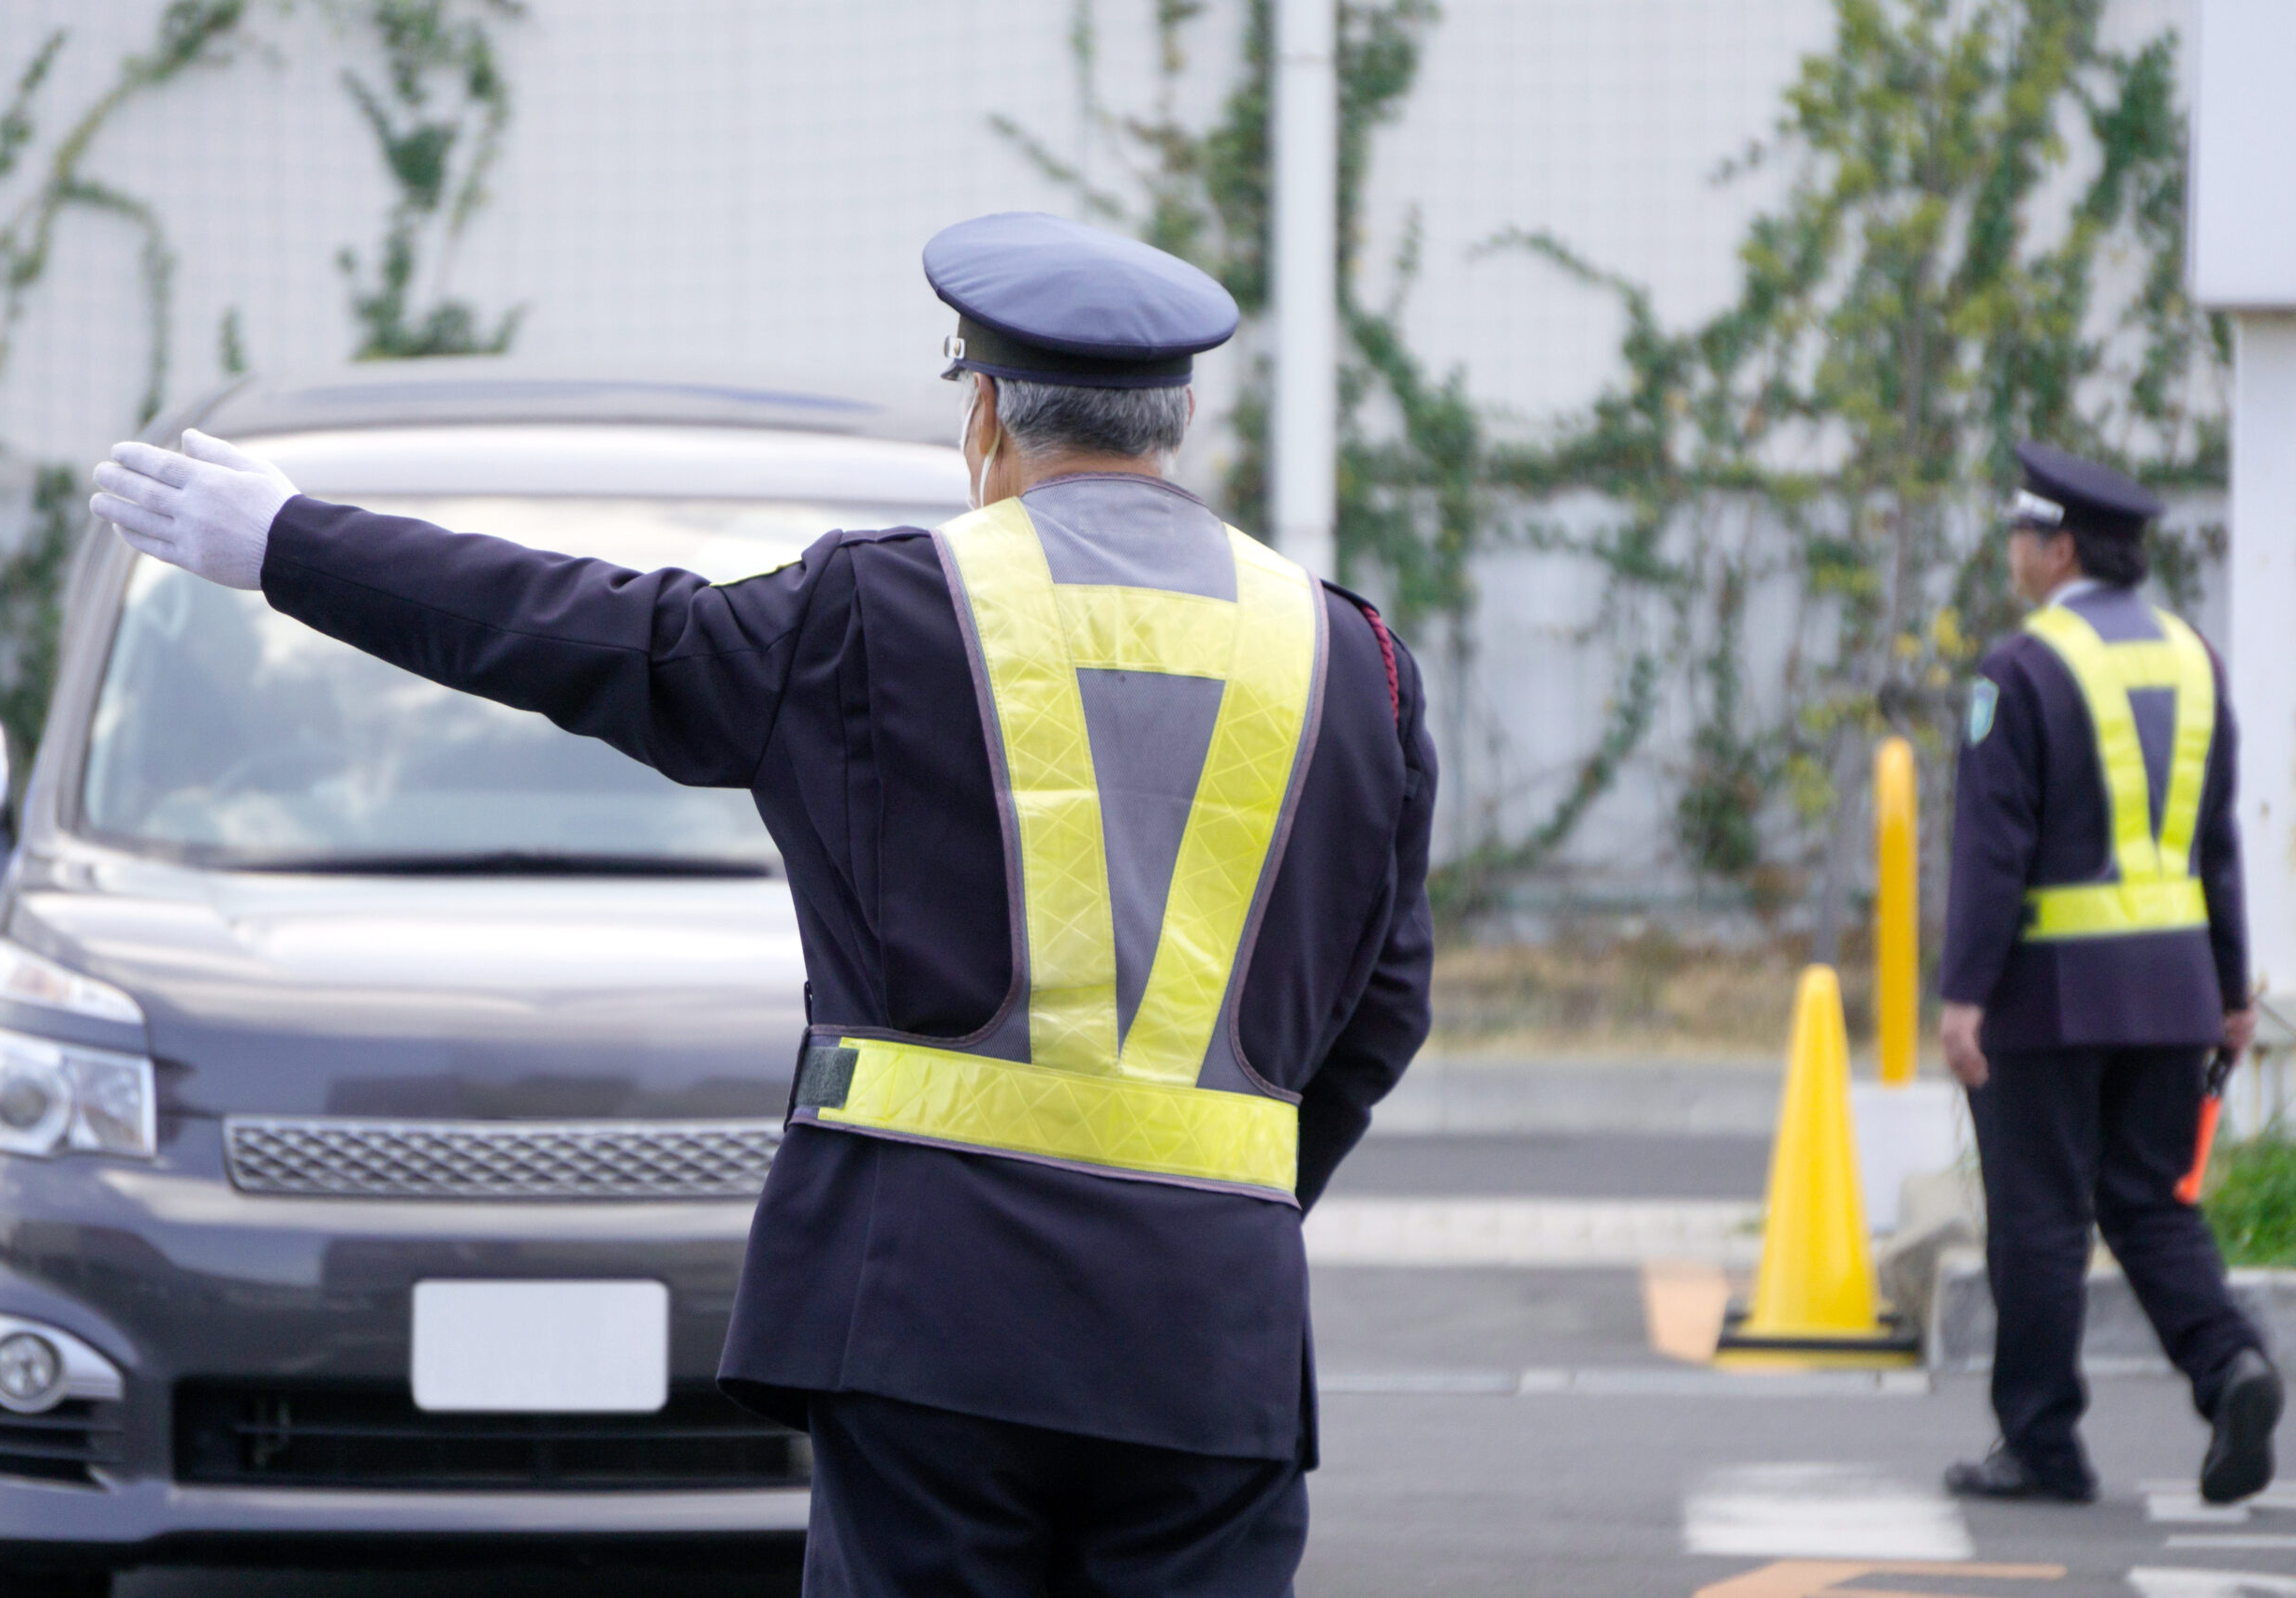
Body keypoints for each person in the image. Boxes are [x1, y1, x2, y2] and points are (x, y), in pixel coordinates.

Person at [86, 211, 1436, 1597]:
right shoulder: (1353, 658)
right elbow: (1385, 1009)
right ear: (1183, 416)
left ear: (985, 414)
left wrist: (290, 543)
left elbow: (589, 631)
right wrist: (1224, 1199)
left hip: (923, 1318)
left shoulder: (877, 612)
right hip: (1212, 1329)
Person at [1938, 440, 2281, 1507]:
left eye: (2020, 534)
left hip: (2048, 995)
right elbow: (2213, 841)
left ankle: (2042, 1447)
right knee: (2149, 1202)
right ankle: (2229, 1365)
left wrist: (1963, 995)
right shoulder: (2194, 659)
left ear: (2061, 547)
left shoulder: (2020, 670)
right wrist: (2230, 991)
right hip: (2174, 991)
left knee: (2039, 1218)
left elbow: (1994, 851)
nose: (2011, 551)